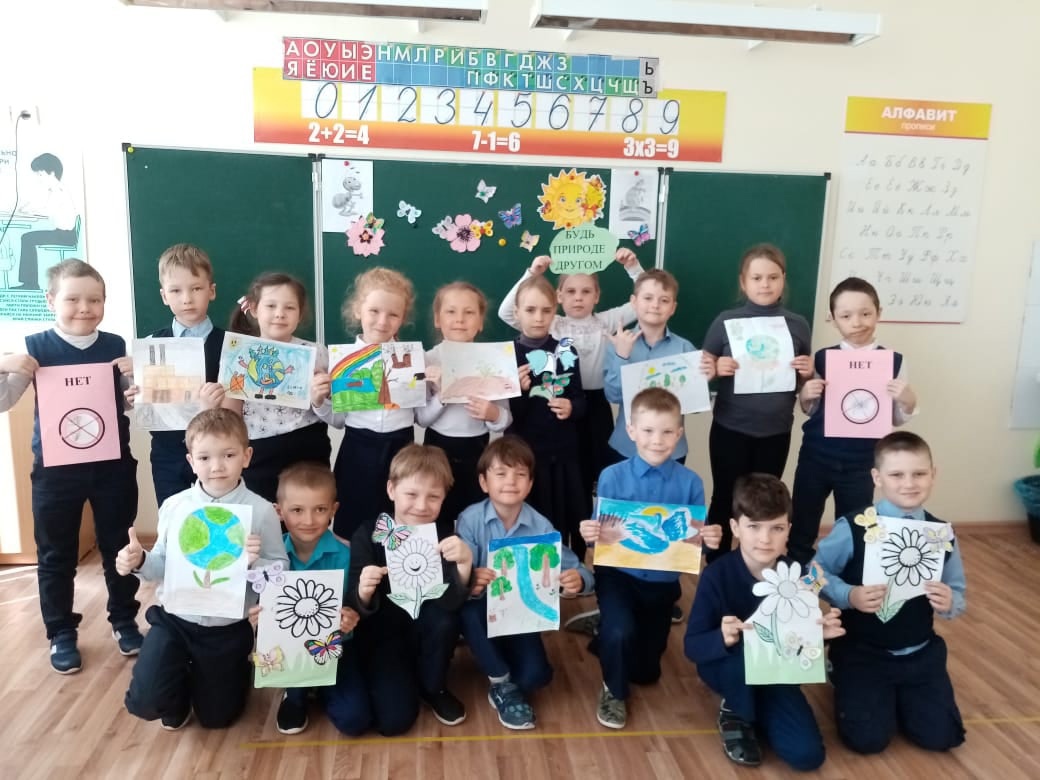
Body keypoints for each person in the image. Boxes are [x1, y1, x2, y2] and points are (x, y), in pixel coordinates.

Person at [0, 259, 141, 673]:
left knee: (120, 546)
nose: (84, 308)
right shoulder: (34, 349)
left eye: (94, 300)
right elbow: (4, 401)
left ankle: (124, 620)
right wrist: (4, 364)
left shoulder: (115, 346)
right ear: (50, 301)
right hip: (56, 472)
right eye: (73, 299)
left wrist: (140, 384)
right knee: (55, 554)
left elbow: (131, 404)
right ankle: (61, 631)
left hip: (112, 466)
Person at [119, 408, 288, 729]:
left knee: (217, 718)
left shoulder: (262, 511)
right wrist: (139, 560)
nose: (217, 466)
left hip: (227, 628)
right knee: (144, 701)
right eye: (205, 457)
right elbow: (161, 566)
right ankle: (177, 688)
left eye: (228, 455)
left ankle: (232, 670)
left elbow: (280, 574)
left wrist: (256, 562)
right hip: (175, 620)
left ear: (247, 456)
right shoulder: (175, 506)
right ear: (191, 461)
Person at [577, 388, 722, 729]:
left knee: (645, 673)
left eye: (667, 431)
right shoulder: (612, 476)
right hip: (618, 576)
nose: (657, 440)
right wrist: (590, 533)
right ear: (631, 431)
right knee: (621, 633)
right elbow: (600, 538)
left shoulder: (691, 483)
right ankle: (612, 689)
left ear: (679, 434)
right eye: (648, 430)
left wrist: (707, 541)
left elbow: (692, 545)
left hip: (662, 583)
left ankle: (606, 629)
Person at [815, 431, 966, 755]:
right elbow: (812, 573)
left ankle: (898, 697)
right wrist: (848, 595)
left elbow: (957, 589)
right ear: (877, 477)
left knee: (941, 738)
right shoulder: (853, 526)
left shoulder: (942, 535)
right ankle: (845, 677)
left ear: (933, 475)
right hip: (863, 652)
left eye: (919, 474)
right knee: (867, 741)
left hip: (920, 653)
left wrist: (950, 602)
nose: (909, 483)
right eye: (897, 475)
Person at [684, 473, 844, 770]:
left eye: (776, 528)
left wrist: (818, 636)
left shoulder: (798, 577)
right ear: (735, 528)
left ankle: (755, 709)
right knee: (745, 652)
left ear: (788, 530)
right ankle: (735, 711)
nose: (765, 539)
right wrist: (722, 638)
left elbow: (798, 647)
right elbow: (692, 646)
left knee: (807, 756)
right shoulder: (717, 575)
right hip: (726, 667)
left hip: (775, 674)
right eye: (754, 527)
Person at [457, 436, 592, 730]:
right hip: (481, 610)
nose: (511, 481)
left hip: (520, 617)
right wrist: (471, 579)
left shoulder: (541, 526)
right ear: (483, 482)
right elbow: (458, 578)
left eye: (520, 474)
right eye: (501, 473)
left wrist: (579, 581)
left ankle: (505, 673)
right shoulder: (470, 520)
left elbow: (580, 570)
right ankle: (501, 682)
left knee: (537, 677)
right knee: (467, 613)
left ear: (530, 484)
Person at [497, 250, 644, 520]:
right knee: (566, 470)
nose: (578, 297)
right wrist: (532, 274)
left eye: (586, 291)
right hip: (557, 404)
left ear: (597, 296)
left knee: (592, 469)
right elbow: (507, 311)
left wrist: (633, 268)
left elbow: (641, 303)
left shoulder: (605, 321)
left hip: (593, 404)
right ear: (559, 297)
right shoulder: (553, 320)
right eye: (571, 291)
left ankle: (587, 527)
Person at [602, 268, 709, 622]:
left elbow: (695, 403)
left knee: (668, 523)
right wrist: (621, 356)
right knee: (631, 523)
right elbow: (612, 395)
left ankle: (663, 591)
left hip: (671, 450)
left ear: (673, 307)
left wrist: (701, 379)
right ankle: (621, 593)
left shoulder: (685, 349)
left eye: (664, 300)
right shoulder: (621, 343)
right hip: (626, 446)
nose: (655, 305)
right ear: (634, 302)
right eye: (647, 298)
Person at [787, 277, 918, 565]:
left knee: (855, 527)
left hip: (862, 462)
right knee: (803, 521)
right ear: (833, 319)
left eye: (865, 313)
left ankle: (849, 581)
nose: (857, 322)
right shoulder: (823, 358)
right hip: (816, 456)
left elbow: (895, 418)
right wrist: (805, 394)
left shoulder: (893, 361)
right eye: (846, 316)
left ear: (878, 313)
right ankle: (795, 575)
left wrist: (908, 400)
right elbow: (811, 410)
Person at [345, 444, 472, 733]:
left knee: (444, 620)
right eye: (411, 494)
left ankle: (433, 686)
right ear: (391, 490)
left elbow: (451, 603)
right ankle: (395, 677)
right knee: (394, 722)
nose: (421, 505)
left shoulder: (444, 535)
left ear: (444, 498)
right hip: (383, 637)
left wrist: (465, 565)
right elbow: (354, 605)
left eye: (433, 497)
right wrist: (364, 590)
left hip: (428, 631)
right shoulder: (368, 533)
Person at [701, 244, 813, 563]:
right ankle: (717, 565)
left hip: (776, 431)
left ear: (783, 279)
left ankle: (758, 564)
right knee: (725, 497)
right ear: (743, 281)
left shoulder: (798, 324)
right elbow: (700, 372)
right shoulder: (726, 321)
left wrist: (807, 372)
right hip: (730, 429)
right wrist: (715, 368)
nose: (765, 284)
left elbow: (803, 382)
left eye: (773, 277)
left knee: (765, 502)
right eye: (757, 277)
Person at [252, 461, 361, 735]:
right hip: (289, 649)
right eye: (297, 510)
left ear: (333, 510)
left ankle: (320, 687)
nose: (309, 521)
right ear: (279, 511)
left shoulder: (347, 556)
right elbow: (260, 604)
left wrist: (349, 617)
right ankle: (295, 694)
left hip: (337, 647)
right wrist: (255, 618)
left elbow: (353, 605)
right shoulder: (269, 559)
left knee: (354, 720)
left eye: (320, 509)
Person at [322, 267, 417, 540]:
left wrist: (433, 389)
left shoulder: (412, 359)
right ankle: (355, 568)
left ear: (403, 319)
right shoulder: (342, 360)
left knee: (399, 521)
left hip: (401, 449)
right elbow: (338, 421)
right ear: (357, 310)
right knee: (352, 520)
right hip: (357, 448)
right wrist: (319, 401)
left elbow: (422, 417)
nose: (382, 321)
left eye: (393, 315)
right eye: (374, 311)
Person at [223, 272, 333, 503]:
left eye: (289, 307)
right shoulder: (240, 354)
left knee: (309, 514)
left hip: (308, 447)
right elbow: (231, 414)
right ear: (254, 309)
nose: (280, 314)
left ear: (300, 313)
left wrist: (321, 391)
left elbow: (331, 407)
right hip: (260, 451)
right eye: (271, 306)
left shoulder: (317, 352)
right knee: (264, 515)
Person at [416, 282, 511, 537]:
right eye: (451, 311)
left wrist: (492, 414)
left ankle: (472, 559)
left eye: (469, 312)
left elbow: (504, 420)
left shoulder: (494, 361)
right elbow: (421, 419)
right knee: (437, 514)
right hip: (437, 449)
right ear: (437, 319)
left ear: (480, 322)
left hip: (477, 450)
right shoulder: (427, 360)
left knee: (475, 516)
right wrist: (442, 395)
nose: (459, 319)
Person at [506, 274, 588, 560]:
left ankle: (572, 567)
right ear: (517, 312)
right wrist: (518, 391)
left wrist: (572, 407)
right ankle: (528, 569)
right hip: (524, 455)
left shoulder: (566, 350)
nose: (539, 318)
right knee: (529, 515)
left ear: (555, 311)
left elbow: (581, 400)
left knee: (567, 512)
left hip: (562, 453)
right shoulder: (507, 354)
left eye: (546, 310)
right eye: (530, 310)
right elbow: (507, 416)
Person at [138, 243, 226, 506]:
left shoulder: (231, 347)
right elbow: (149, 409)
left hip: (218, 454)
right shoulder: (150, 346)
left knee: (218, 519)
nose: (187, 299)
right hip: (168, 454)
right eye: (176, 291)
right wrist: (138, 396)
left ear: (211, 291)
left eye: (196, 288)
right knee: (173, 518)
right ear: (164, 296)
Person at [16, 153, 79, 290]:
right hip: (62, 233)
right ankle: (30, 283)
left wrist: (28, 211)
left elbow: (48, 211)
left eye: (40, 174)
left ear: (51, 173)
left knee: (27, 238)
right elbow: (46, 208)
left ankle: (30, 284)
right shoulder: (55, 190)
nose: (39, 178)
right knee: (28, 238)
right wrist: (29, 210)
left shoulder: (59, 191)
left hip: (65, 235)